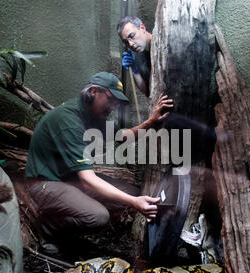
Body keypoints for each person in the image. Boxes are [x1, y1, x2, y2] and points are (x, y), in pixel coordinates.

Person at [25, 72, 173, 252]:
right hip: (46, 183)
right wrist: (134, 202)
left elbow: (122, 136)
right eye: (111, 100)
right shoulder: (69, 120)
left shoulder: (93, 116)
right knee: (99, 216)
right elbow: (88, 179)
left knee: (130, 191)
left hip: (70, 180)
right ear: (94, 91)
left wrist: (150, 122)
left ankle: (75, 216)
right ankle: (49, 228)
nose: (113, 106)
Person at [117, 16, 152, 97]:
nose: (131, 44)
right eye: (126, 42)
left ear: (142, 28)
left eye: (132, 36)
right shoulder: (139, 57)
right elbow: (148, 92)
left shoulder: (161, 44)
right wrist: (134, 70)